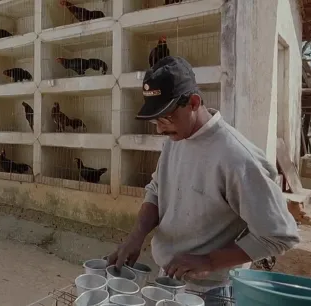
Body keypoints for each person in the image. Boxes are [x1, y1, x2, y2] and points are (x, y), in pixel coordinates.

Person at [108, 56, 300, 304]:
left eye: (166, 118)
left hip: (211, 291)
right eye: (156, 120)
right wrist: (137, 236)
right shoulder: (176, 139)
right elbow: (157, 189)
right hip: (170, 277)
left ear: (194, 103)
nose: (160, 129)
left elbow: (280, 235)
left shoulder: (237, 158)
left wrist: (209, 261)